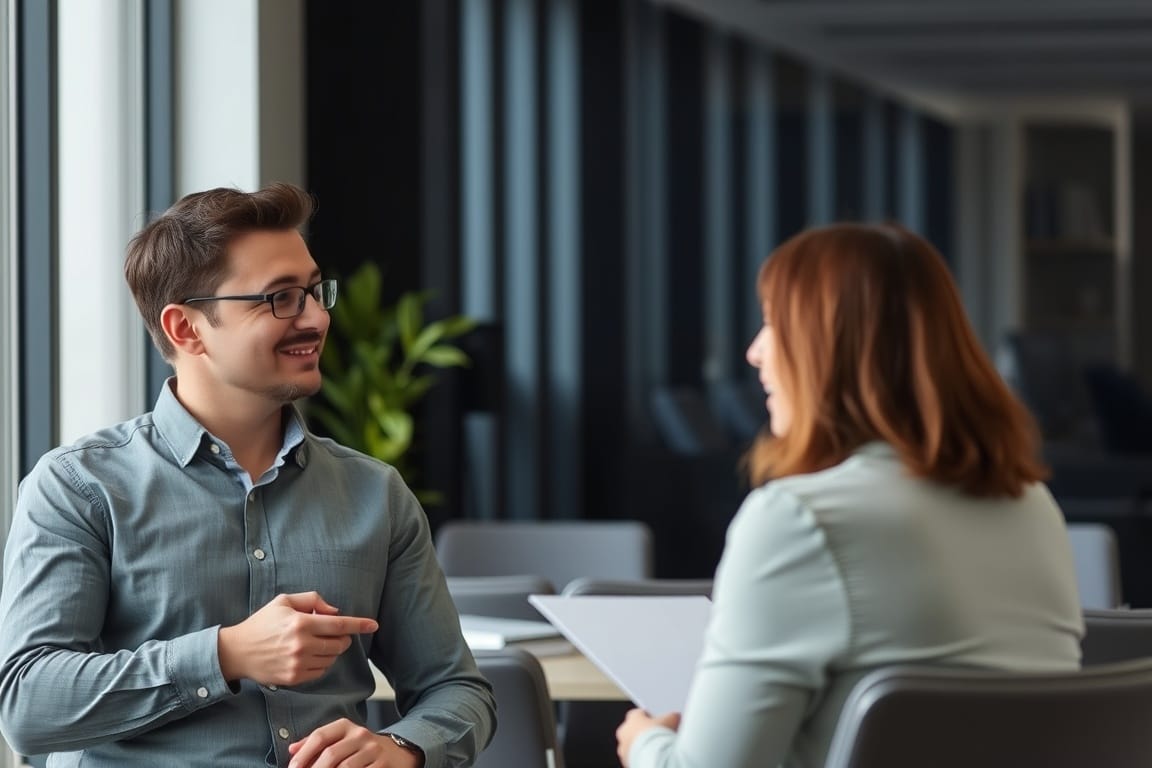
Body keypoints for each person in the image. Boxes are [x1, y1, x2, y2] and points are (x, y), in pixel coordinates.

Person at [0, 183, 496, 767]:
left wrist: (403, 749)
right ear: (187, 329)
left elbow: (458, 690)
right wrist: (226, 654)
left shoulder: (375, 494)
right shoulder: (79, 487)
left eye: (314, 292)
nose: (315, 318)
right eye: (280, 298)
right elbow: (29, 706)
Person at [615, 222, 1085, 768]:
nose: (754, 352)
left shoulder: (799, 520)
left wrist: (645, 742)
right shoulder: (1031, 506)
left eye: (772, 323)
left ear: (828, 347)